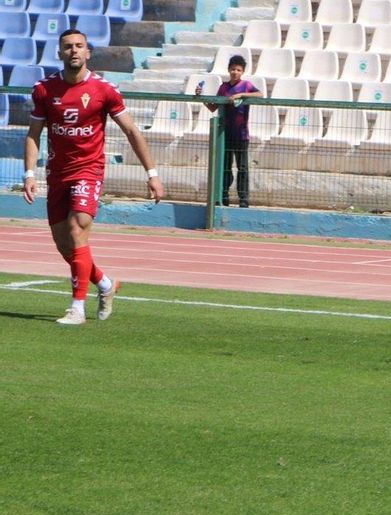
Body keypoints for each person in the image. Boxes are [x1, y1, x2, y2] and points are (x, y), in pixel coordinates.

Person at [22, 29, 164, 326]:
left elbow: (132, 131)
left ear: (88, 53)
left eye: (79, 46)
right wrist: (29, 173)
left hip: (89, 170)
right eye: (67, 47)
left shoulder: (105, 90)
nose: (74, 51)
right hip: (57, 173)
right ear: (59, 53)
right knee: (65, 246)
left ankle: (77, 308)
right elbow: (33, 134)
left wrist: (152, 174)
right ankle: (105, 283)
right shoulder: (44, 90)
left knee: (78, 228)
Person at [196, 54, 261, 208]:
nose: (235, 72)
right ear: (228, 70)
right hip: (225, 134)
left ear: (242, 71)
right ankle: (223, 196)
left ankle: (243, 199)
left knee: (242, 168)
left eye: (238, 70)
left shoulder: (246, 85)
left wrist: (241, 95)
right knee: (225, 167)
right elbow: (213, 107)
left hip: (242, 134)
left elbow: (260, 94)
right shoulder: (223, 88)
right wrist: (201, 97)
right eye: (233, 69)